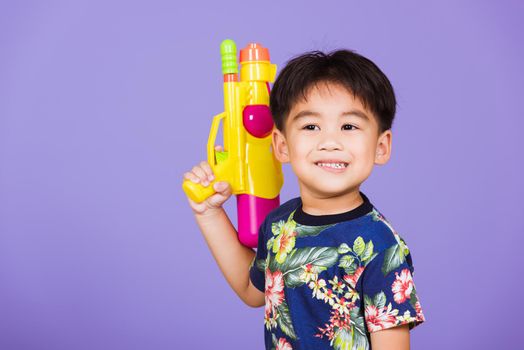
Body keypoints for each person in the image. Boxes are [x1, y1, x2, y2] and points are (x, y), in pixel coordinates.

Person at [183, 49, 425, 350]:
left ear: (381, 147)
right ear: (281, 146)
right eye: (311, 127)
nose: (329, 142)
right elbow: (252, 290)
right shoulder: (279, 224)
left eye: (349, 126)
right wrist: (208, 213)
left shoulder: (381, 247)